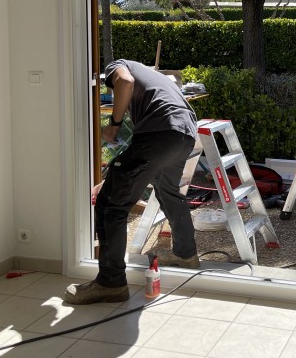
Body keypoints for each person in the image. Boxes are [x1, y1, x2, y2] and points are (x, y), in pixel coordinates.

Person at [65, 59, 200, 305]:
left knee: (110, 205)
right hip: (184, 134)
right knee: (169, 191)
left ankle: (110, 283)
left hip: (160, 134)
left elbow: (124, 82)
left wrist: (113, 126)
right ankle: (186, 254)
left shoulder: (116, 66)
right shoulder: (150, 74)